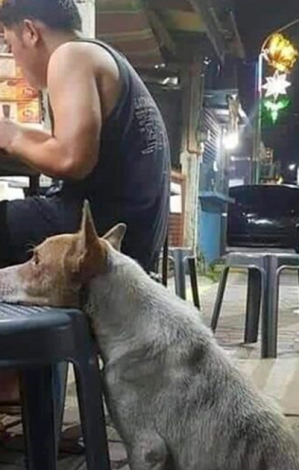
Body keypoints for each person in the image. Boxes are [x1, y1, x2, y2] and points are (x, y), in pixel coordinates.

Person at [0, 0, 170, 403]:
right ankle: (19, 381)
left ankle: (13, 381)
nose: (15, 58)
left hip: (92, 237)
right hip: (125, 236)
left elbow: (73, 158)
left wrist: (10, 137)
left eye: (9, 44)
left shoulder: (69, 57)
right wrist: (15, 130)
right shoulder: (100, 55)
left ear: (30, 31)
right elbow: (66, 147)